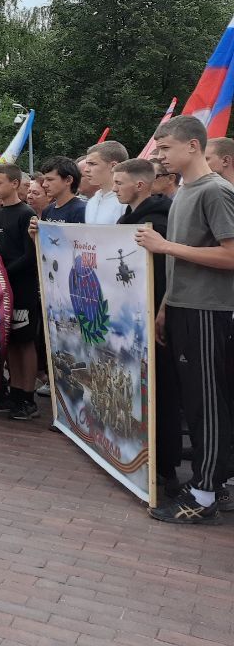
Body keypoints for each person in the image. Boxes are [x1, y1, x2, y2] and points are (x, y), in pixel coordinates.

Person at [136, 115, 234, 524]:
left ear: (193, 146)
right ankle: (211, 483)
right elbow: (182, 262)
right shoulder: (185, 192)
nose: (160, 156)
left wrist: (165, 246)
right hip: (183, 308)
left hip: (208, 311)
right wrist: (164, 308)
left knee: (206, 404)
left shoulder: (216, 191)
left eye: (166, 148)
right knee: (195, 401)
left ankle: (206, 495)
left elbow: (231, 255)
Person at [112, 157, 183, 499]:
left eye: (119, 182)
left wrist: (163, 310)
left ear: (139, 184)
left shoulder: (161, 220)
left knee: (162, 393)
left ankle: (166, 470)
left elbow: (173, 269)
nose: (113, 188)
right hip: (131, 320)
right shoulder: (126, 218)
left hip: (157, 319)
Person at [0, 164, 40, 420]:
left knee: (24, 341)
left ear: (15, 184)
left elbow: (30, 256)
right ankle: (15, 390)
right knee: (10, 341)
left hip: (22, 288)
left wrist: (3, 273)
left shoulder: (26, 213)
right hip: (2, 287)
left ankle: (28, 397)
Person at [83, 141, 129, 223]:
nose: (86, 169)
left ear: (114, 166)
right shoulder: (92, 201)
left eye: (92, 164)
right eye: (87, 164)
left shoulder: (126, 202)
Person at [38, 156, 85, 223]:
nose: (44, 185)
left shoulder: (81, 210)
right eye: (44, 180)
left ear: (68, 180)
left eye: (50, 179)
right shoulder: (47, 210)